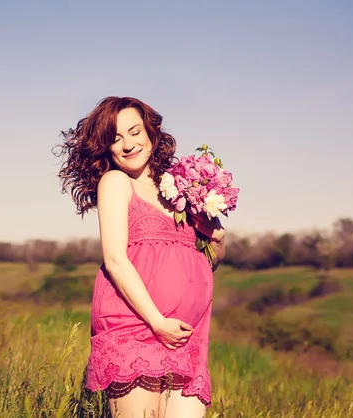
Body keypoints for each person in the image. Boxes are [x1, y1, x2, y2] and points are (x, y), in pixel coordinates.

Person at [54, 96, 226, 418]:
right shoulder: (116, 182)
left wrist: (218, 237)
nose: (128, 144)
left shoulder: (178, 188)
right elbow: (115, 259)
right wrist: (157, 322)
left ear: (150, 133)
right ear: (105, 148)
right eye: (115, 139)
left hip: (187, 334)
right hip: (137, 324)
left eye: (134, 132)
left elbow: (209, 262)